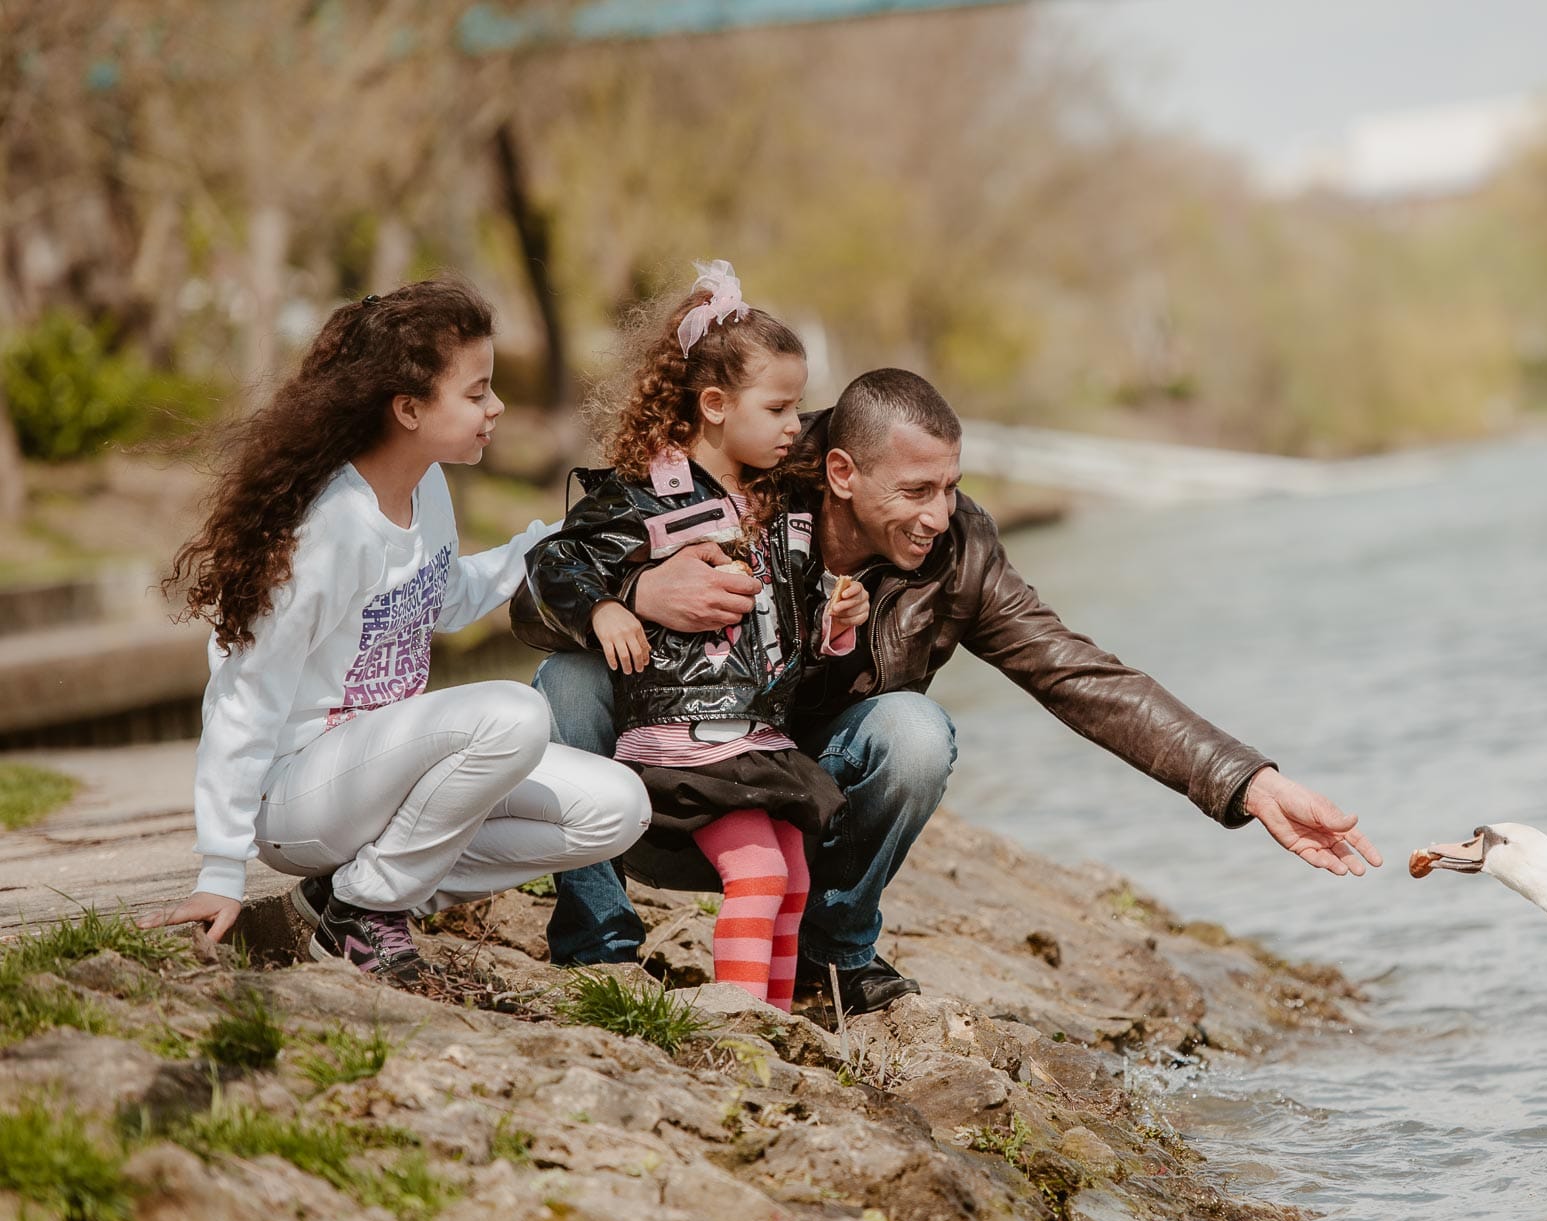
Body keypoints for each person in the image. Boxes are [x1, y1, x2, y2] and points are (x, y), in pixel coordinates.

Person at [525, 368, 1381, 1012]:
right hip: (667, 797)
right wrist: (630, 594)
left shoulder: (959, 552)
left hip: (791, 821)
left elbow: (1077, 673)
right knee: (566, 678)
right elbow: (533, 592)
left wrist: (1248, 782)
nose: (940, 514)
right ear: (842, 472)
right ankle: (598, 949)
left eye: (951, 486)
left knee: (915, 731)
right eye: (917, 491)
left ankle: (835, 954)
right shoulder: (738, 476)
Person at [144, 279, 650, 983]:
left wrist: (555, 540)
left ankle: (352, 895)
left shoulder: (426, 488)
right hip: (299, 796)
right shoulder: (330, 528)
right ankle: (367, 912)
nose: (496, 408)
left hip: (383, 778)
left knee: (617, 808)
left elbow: (442, 601)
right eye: (477, 393)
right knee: (514, 713)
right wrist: (222, 869)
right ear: (409, 408)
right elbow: (245, 693)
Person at [523, 263, 868, 1011]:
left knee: (792, 878)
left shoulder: (778, 508)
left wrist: (833, 619)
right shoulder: (642, 495)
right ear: (713, 404)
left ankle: (775, 1018)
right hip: (688, 738)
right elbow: (554, 560)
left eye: (797, 406)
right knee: (760, 875)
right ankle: (739, 1021)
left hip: (756, 735)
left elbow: (791, 621)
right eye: (778, 407)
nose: (793, 425)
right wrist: (610, 604)